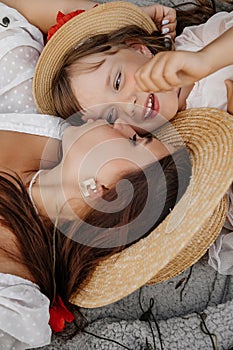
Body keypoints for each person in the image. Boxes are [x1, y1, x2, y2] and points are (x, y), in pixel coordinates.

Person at [0, 2, 191, 348]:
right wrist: (101, 18)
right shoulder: (38, 116)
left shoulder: (13, 297)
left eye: (136, 138)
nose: (121, 122)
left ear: (102, 191)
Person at [30, 0, 233, 133]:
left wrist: (206, 60)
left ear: (139, 48)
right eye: (111, 116)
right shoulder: (183, 145)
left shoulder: (197, 44)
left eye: (118, 81)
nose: (128, 104)